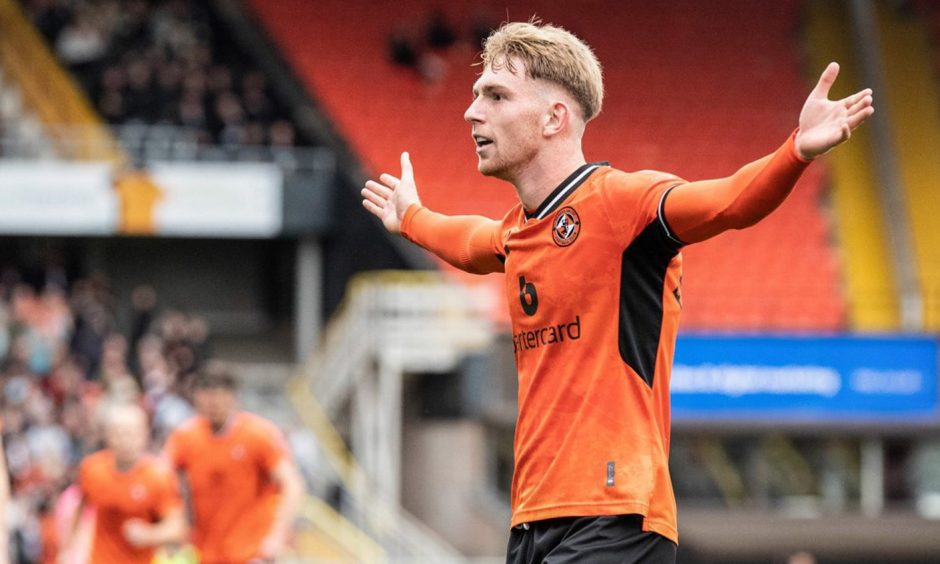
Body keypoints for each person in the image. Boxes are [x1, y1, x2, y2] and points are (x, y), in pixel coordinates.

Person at [361, 21, 874, 564]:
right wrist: (411, 217)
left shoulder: (622, 204)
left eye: (495, 95)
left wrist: (796, 150)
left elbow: (728, 202)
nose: (472, 111)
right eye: (475, 95)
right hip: (534, 520)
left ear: (555, 117)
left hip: (617, 512)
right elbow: (467, 240)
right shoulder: (518, 232)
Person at [163, 362, 304, 564]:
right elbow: (162, 483)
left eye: (218, 397)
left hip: (251, 552)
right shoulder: (185, 437)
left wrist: (278, 534)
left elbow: (292, 484)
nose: (212, 404)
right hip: (206, 552)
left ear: (232, 397)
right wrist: (172, 525)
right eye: (206, 397)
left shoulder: (258, 434)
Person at [62, 403, 186, 564]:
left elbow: (177, 528)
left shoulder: (158, 476)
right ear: (108, 436)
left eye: (131, 433)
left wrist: (149, 534)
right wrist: (68, 549)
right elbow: (81, 507)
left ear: (144, 435)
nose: (124, 440)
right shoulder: (92, 469)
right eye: (118, 433)